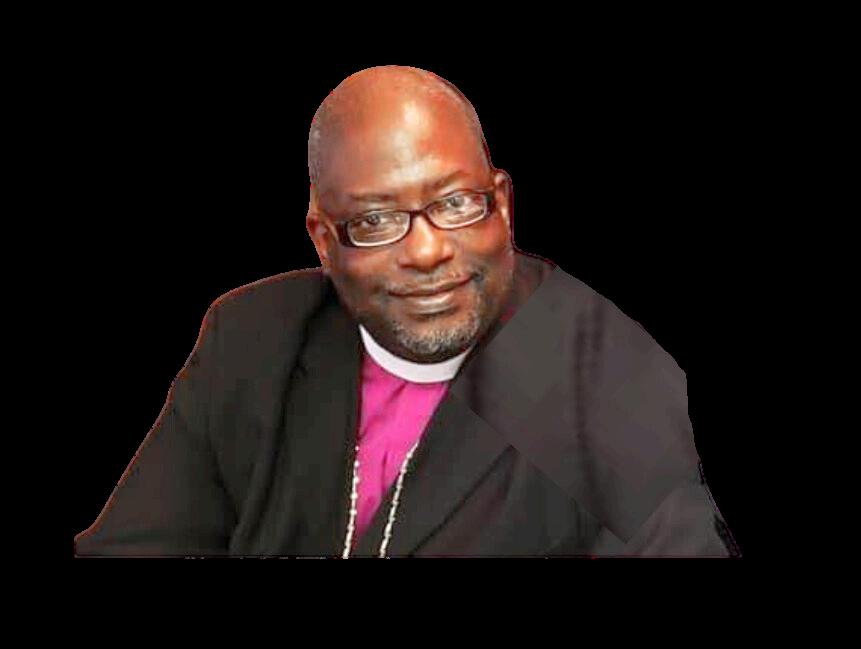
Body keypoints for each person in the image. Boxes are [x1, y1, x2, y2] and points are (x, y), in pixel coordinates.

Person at [74, 65, 740, 558]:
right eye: (375, 220)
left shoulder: (604, 374)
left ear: (503, 205)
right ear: (323, 238)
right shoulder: (252, 336)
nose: (426, 251)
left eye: (456, 204)